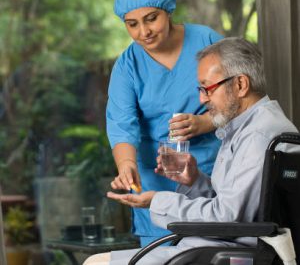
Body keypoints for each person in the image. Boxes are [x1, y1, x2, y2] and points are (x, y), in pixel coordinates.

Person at [84, 37, 298, 265]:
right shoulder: (251, 126)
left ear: (240, 85)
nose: (202, 98)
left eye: (208, 88)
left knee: (96, 263)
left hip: (229, 251)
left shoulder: (258, 135)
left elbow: (228, 218)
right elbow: (239, 206)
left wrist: (158, 201)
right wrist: (195, 180)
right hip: (218, 245)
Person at [106, 0, 223, 246]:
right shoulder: (127, 66)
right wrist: (126, 165)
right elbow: (121, 123)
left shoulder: (207, 41)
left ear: (167, 10)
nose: (143, 31)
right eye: (132, 24)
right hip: (155, 181)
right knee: (158, 254)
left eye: (151, 18)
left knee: (212, 249)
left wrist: (205, 123)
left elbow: (239, 99)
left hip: (209, 173)